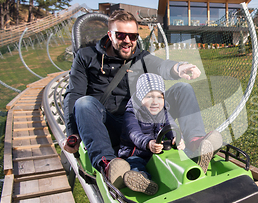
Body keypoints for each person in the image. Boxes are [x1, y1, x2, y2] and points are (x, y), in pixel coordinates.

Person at [62, 10, 222, 190]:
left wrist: (179, 67)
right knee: (84, 103)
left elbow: (160, 65)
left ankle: (196, 143)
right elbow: (73, 95)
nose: (128, 41)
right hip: (105, 124)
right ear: (110, 35)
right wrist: (73, 133)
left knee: (182, 89)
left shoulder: (140, 57)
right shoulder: (86, 57)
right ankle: (110, 165)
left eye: (133, 36)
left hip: (138, 120)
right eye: (121, 35)